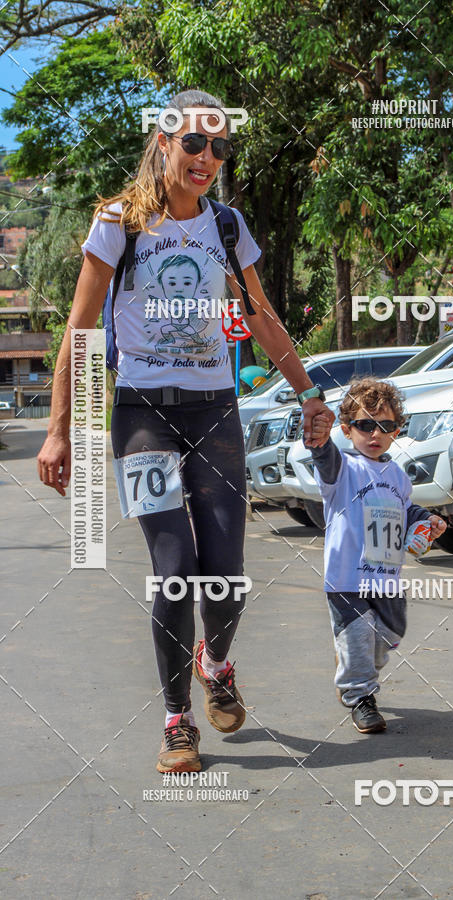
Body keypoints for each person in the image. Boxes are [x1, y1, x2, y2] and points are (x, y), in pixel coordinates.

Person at [36, 89, 334, 773]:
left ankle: (216, 663)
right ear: (164, 142)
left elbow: (259, 315)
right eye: (195, 143)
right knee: (174, 571)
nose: (207, 157)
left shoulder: (226, 226)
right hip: (142, 415)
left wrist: (309, 393)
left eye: (220, 147)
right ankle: (177, 721)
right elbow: (82, 330)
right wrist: (59, 430)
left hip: (215, 412)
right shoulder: (119, 222)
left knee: (226, 574)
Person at [306, 378, 446, 733]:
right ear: (347, 429)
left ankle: (356, 663)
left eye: (385, 426)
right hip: (347, 579)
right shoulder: (342, 469)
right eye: (365, 425)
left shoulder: (397, 475)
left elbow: (406, 509)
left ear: (396, 431)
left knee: (390, 633)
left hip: (386, 580)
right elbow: (323, 455)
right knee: (358, 636)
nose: (375, 434)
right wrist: (318, 438)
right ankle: (360, 696)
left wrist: (426, 521)